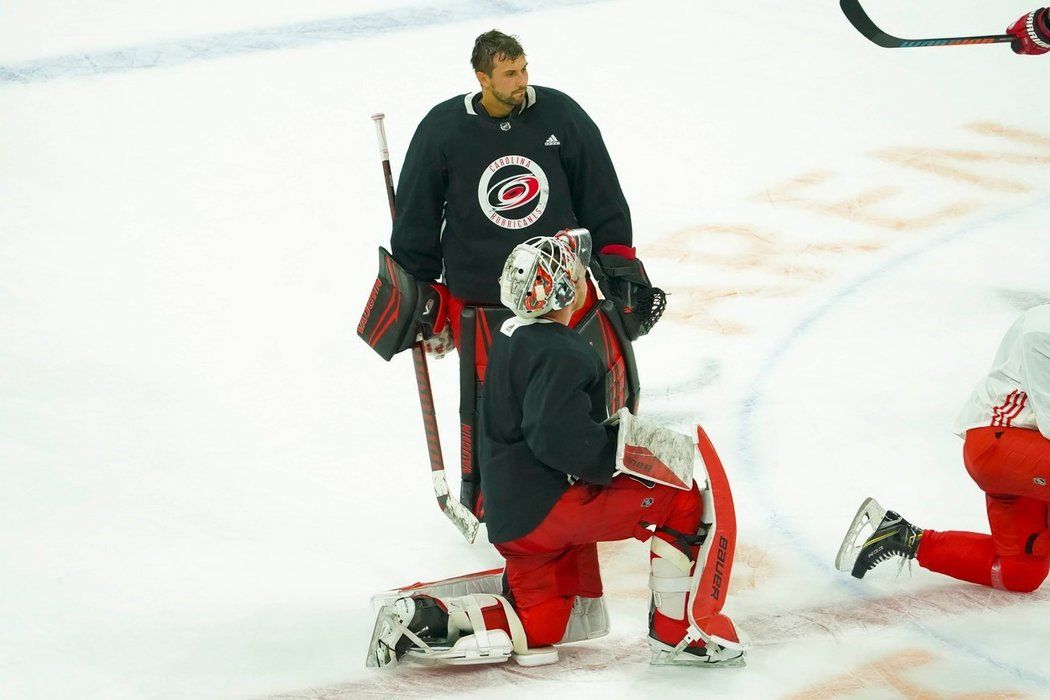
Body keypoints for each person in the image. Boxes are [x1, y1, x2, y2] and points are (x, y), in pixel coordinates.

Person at [366, 234, 744, 668]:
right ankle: (676, 633)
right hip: (550, 514)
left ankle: (425, 619)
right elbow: (555, 438)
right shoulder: (566, 352)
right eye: (579, 275)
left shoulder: (507, 333)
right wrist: (619, 458)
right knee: (681, 498)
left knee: (540, 626)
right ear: (566, 290)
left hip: (515, 522)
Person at [372, 29, 664, 517]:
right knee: (497, 406)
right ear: (482, 77)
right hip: (485, 302)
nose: (522, 80)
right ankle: (497, 500)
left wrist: (616, 260)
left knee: (585, 388)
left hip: (564, 293)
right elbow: (417, 217)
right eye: (510, 73)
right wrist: (426, 295)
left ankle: (598, 485)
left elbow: (600, 191)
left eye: (524, 68)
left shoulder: (560, 113)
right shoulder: (442, 129)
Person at [837, 303, 1050, 593]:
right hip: (999, 445)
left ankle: (904, 537)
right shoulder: (1041, 332)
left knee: (1019, 573)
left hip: (1029, 454)